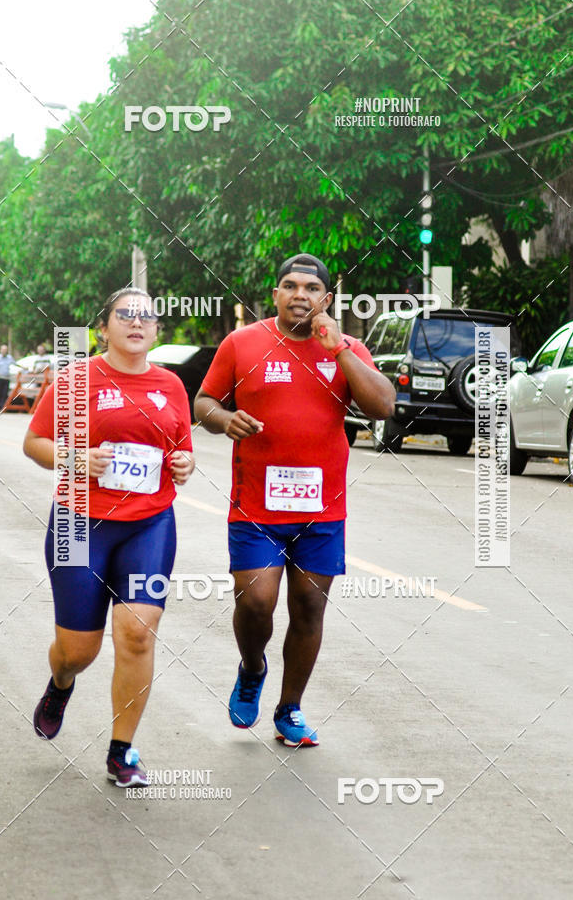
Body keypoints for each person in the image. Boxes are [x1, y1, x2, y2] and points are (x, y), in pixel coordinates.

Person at [194, 253, 396, 747]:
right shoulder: (242, 343)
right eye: (290, 286)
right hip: (255, 507)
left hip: (321, 511)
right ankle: (251, 666)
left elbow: (384, 405)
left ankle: (290, 709)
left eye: (311, 288)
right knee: (257, 602)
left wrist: (341, 351)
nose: (300, 295)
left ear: (326, 299)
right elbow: (204, 401)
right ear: (276, 294)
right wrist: (224, 421)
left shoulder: (348, 348)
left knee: (308, 607)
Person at [23, 287, 194, 786]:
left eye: (147, 317)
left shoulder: (171, 384)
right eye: (126, 315)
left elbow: (181, 449)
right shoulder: (76, 379)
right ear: (105, 326)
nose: (136, 323)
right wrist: (77, 459)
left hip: (149, 523)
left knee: (138, 635)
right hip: (80, 523)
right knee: (79, 650)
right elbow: (34, 442)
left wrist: (185, 462)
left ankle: (123, 751)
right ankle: (61, 683)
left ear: (157, 329)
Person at [0, 343, 15, 411]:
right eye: (3, 349)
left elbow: (15, 363)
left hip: (6, 378)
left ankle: (2, 406)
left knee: (5, 393)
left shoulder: (9, 357)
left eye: (6, 350)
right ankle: (0, 406)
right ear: (0, 350)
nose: (4, 351)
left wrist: (24, 368)